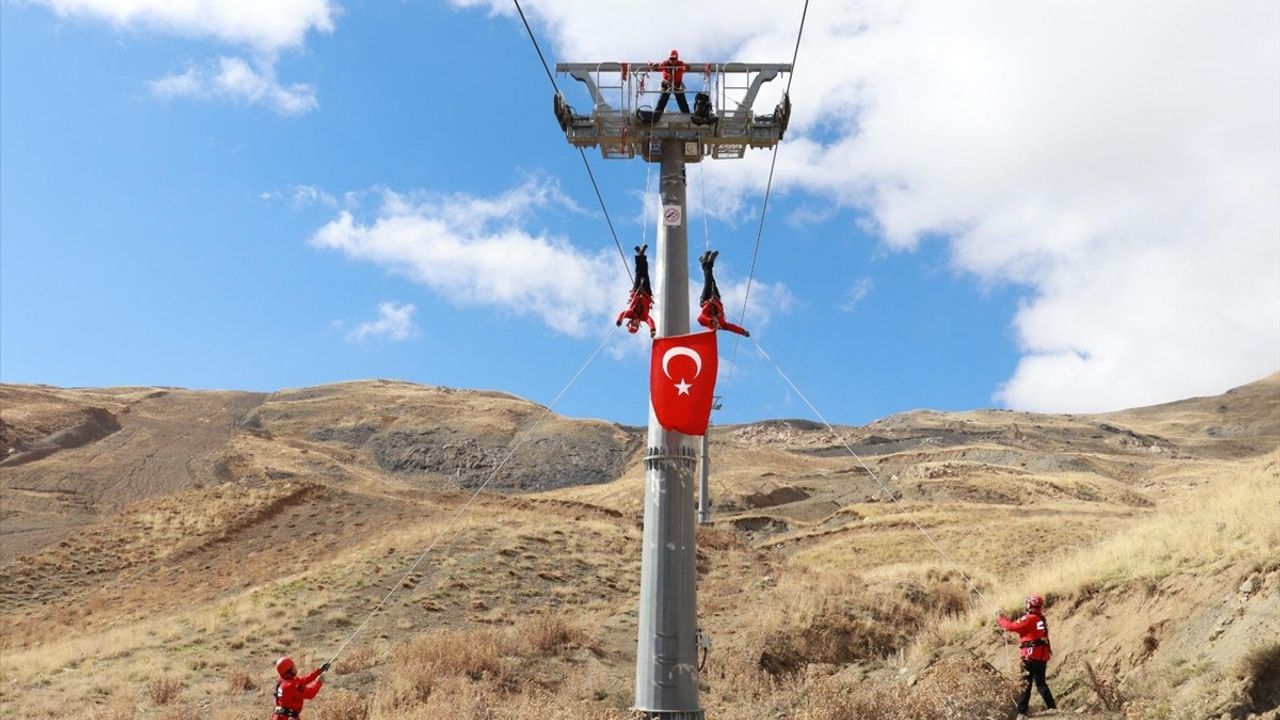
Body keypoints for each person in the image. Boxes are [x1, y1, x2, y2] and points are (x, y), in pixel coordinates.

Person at [998, 594, 1057, 717]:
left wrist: (1000, 618)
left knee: (1025, 686)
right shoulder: (1042, 619)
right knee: (1041, 684)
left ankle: (1021, 713)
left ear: (1030, 604)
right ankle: (1052, 707)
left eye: (1027, 603)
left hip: (1030, 658)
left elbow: (1010, 626)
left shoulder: (1029, 619)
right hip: (1042, 657)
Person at [696, 250, 749, 337]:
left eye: (715, 325)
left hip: (705, 299)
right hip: (716, 297)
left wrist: (711, 320)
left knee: (708, 281)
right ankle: (704, 262)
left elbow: (700, 318)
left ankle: (709, 262)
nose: (717, 325)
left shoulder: (707, 321)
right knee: (711, 280)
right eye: (718, 326)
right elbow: (732, 327)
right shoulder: (723, 324)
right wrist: (743, 332)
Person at [617, 245, 656, 337]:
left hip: (637, 291)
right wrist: (652, 330)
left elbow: (622, 314)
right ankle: (641, 254)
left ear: (630, 322)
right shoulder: (644, 317)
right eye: (637, 325)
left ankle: (640, 255)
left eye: (634, 324)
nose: (636, 323)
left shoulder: (630, 313)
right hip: (646, 292)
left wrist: (619, 321)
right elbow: (650, 321)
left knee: (639, 272)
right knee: (645, 272)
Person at [645, 49, 690, 122]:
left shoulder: (680, 64)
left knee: (682, 102)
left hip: (677, 85)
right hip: (667, 85)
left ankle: (688, 118)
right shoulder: (665, 64)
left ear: (677, 58)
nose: (672, 60)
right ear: (669, 58)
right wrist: (652, 66)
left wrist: (685, 67)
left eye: (674, 58)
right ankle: (655, 117)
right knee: (662, 101)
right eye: (671, 58)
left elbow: (686, 67)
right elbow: (658, 67)